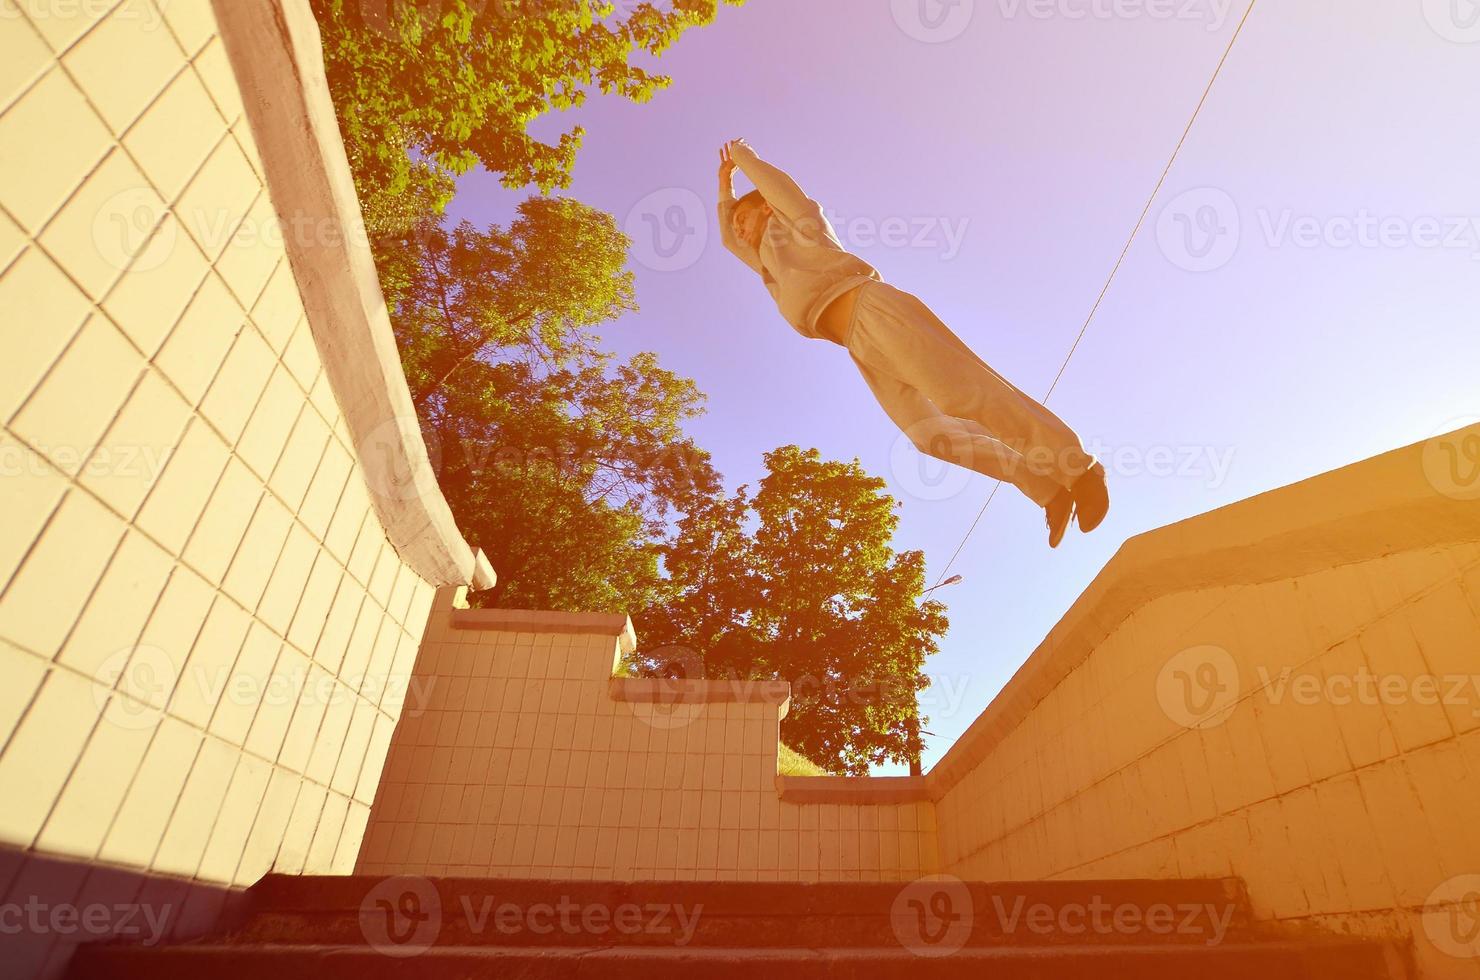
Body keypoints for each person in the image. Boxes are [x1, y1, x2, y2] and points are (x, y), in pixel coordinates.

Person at [717, 139, 1109, 548]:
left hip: (875, 310)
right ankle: (1048, 492)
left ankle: (1078, 469)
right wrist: (723, 188)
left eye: (744, 216)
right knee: (930, 436)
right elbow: (730, 239)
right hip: (858, 345)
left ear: (766, 206)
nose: (739, 228)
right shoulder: (769, 268)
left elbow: (776, 188)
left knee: (968, 394)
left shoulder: (798, 224)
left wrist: (742, 161)